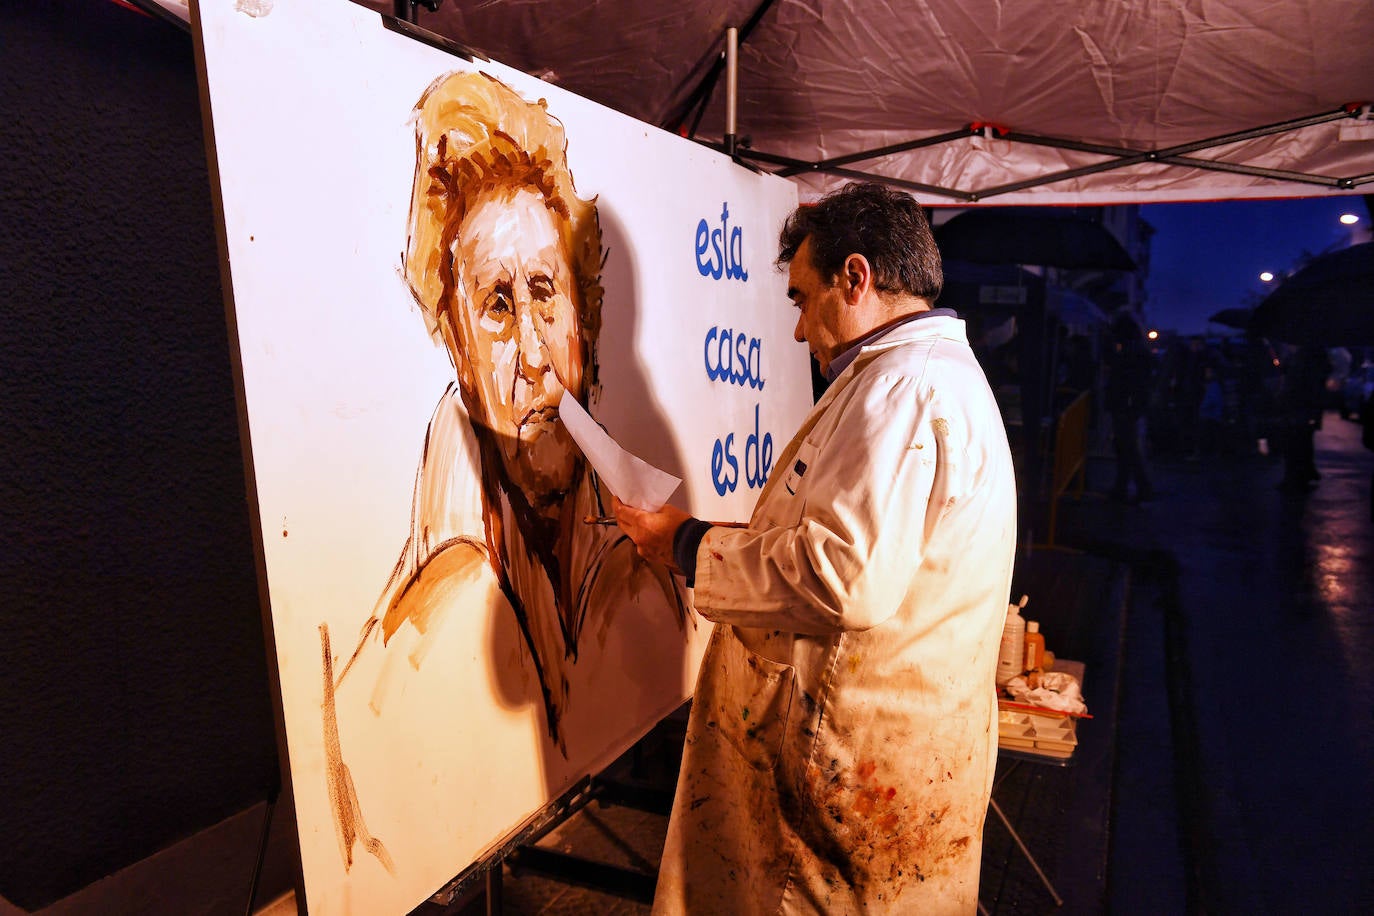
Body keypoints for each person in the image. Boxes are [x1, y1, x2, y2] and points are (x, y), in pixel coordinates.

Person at [615, 182, 1018, 914]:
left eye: (802, 299)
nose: (798, 331)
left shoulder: (903, 390)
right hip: (888, 764)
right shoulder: (924, 379)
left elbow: (843, 578)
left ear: (856, 277)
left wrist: (688, 545)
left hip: (859, 772)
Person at [319, 70, 685, 873]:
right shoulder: (418, 650)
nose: (533, 359)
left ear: (585, 320)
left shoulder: (632, 564)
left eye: (547, 297)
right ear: (454, 343)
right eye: (495, 306)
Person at [1104, 308, 1154, 502]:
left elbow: (1125, 379)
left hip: (1126, 406)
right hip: (1129, 406)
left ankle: (1138, 487)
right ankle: (1128, 487)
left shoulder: (1130, 353)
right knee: (1127, 448)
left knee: (1127, 448)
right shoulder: (1137, 351)